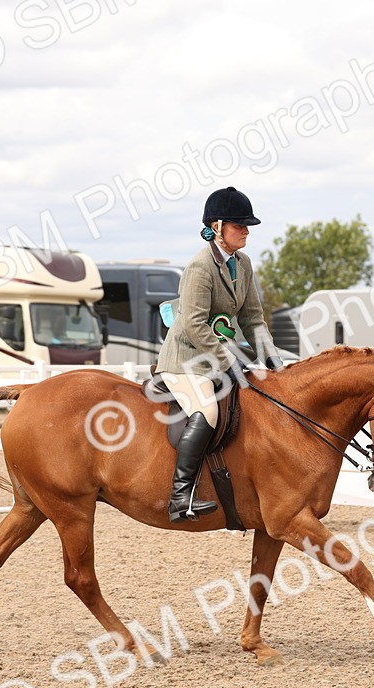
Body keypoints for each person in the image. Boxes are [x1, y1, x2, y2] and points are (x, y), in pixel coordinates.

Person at [156, 186, 285, 522]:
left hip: (217, 356)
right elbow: (194, 325)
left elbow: (253, 317)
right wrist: (230, 363)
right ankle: (180, 497)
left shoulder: (243, 264)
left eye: (247, 226)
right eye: (239, 225)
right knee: (208, 410)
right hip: (186, 359)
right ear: (216, 227)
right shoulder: (200, 267)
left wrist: (272, 359)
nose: (246, 230)